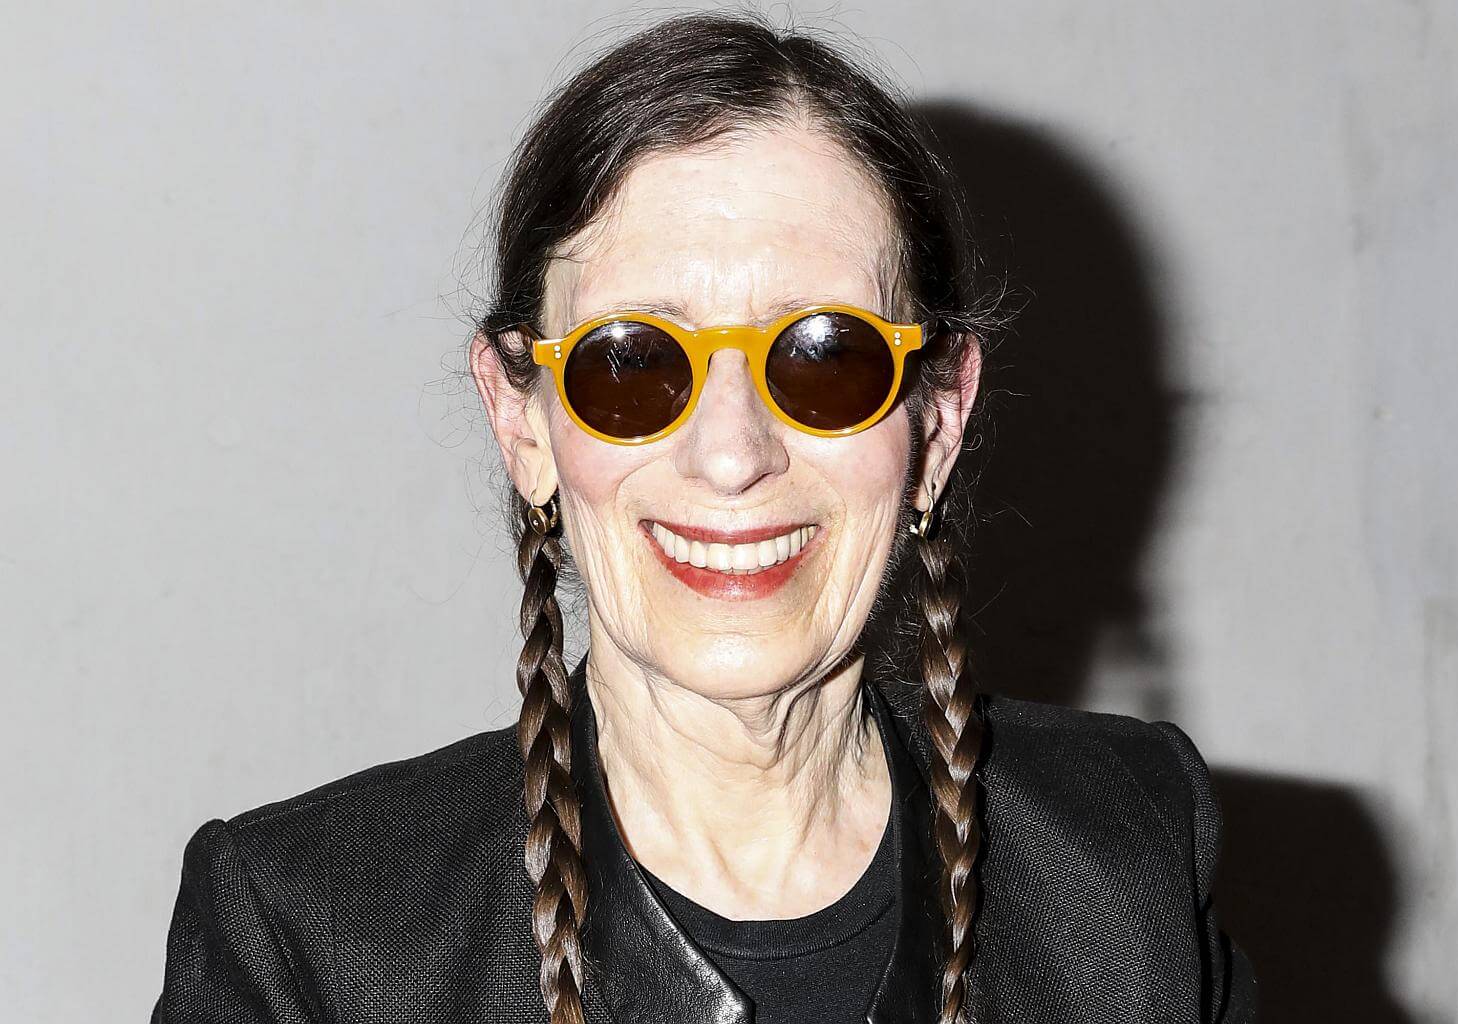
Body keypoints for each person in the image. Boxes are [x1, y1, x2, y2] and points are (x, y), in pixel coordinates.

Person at [152, 12, 1256, 1024]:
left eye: (825, 358)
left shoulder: (1132, 853)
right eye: (632, 364)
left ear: (938, 420)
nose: (732, 456)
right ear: (523, 423)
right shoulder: (310, 944)